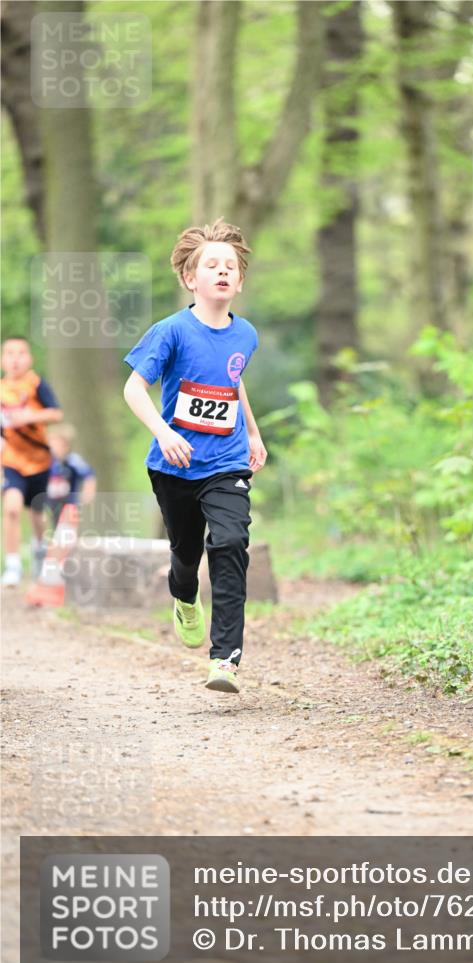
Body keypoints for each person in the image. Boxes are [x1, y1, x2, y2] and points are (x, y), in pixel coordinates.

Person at [122, 218, 267, 694]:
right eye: (212, 265)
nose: (222, 271)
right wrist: (163, 432)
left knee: (230, 542)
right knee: (186, 555)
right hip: (175, 465)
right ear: (190, 278)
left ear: (239, 282)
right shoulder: (170, 331)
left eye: (230, 267)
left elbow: (233, 381)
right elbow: (134, 388)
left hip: (226, 462)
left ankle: (225, 659)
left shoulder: (246, 334)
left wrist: (252, 431)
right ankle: (184, 596)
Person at [1, 338, 63, 586]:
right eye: (10, 353)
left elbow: (56, 413)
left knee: (37, 513)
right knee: (12, 508)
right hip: (12, 461)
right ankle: (13, 565)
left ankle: (40, 551)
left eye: (21, 353)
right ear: (3, 360)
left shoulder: (36, 384)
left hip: (39, 461)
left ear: (30, 359)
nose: (15, 359)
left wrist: (30, 416)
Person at [46, 423, 97, 526]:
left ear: (65, 445)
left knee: (67, 527)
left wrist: (88, 492)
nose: (52, 448)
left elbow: (89, 475)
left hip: (69, 505)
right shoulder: (47, 462)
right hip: (50, 504)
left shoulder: (73, 460)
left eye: (55, 444)